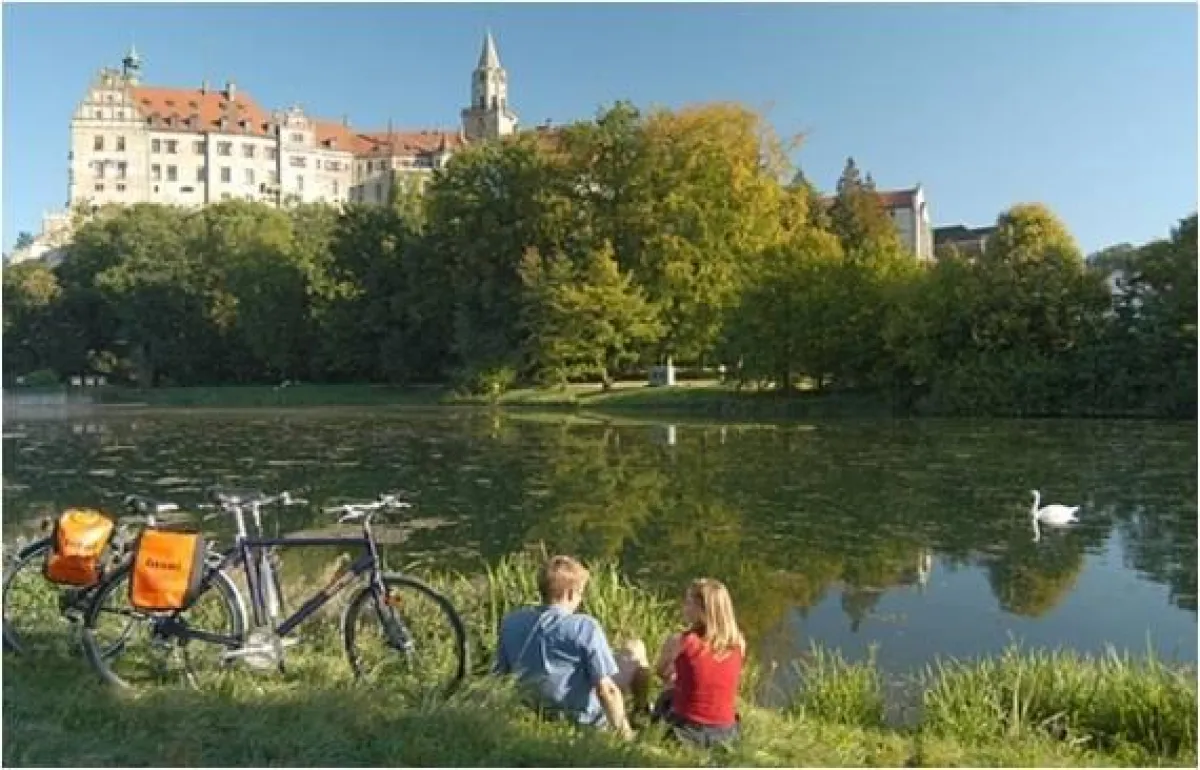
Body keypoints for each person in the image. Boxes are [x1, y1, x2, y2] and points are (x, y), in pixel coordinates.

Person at [493, 555, 635, 739]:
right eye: (581, 592)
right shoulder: (584, 626)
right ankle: (640, 712)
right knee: (634, 650)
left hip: (531, 712)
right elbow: (605, 689)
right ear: (570, 593)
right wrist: (625, 734)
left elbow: (499, 676)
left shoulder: (512, 621)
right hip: (581, 719)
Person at [651, 578, 745, 748]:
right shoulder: (738, 643)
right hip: (726, 734)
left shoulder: (680, 641)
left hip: (686, 732)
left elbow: (660, 672)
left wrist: (674, 676)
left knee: (667, 692)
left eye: (688, 602)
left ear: (703, 610)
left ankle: (643, 714)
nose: (684, 607)